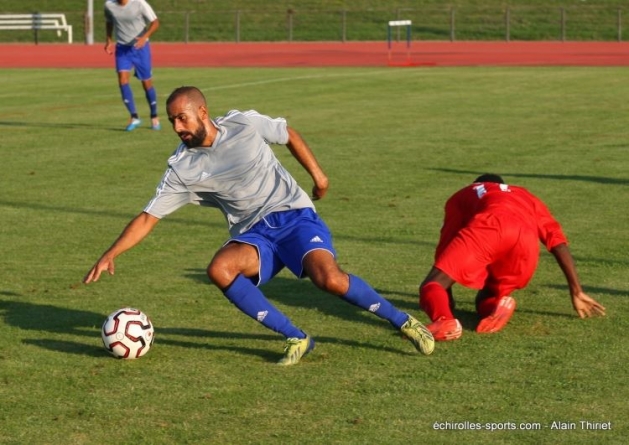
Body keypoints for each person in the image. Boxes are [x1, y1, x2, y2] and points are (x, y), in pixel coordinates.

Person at [84, 86, 435, 365]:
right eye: (172, 121)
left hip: (293, 215)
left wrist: (319, 176)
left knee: (328, 279)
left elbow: (289, 134)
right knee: (219, 269)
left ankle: (403, 321)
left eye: (182, 118)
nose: (177, 128)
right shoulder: (181, 168)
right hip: (255, 236)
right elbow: (148, 217)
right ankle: (297, 338)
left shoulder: (243, 123)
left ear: (202, 112)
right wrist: (110, 253)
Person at [418, 173, 606, 341]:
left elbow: (446, 246)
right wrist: (576, 290)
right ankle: (497, 305)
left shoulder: (466, 193)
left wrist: (444, 297)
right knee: (489, 294)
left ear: (475, 184)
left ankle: (445, 322)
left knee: (432, 284)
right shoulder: (526, 196)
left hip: (491, 226)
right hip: (526, 240)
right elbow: (557, 241)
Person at [104, 0, 161, 131]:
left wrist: (144, 37)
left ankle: (154, 116)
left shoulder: (140, 3)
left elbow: (155, 22)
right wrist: (108, 40)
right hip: (122, 49)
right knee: (122, 80)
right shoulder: (109, 5)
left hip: (141, 49)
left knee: (146, 84)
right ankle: (134, 117)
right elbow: (109, 21)